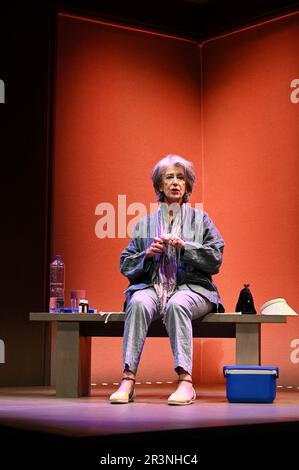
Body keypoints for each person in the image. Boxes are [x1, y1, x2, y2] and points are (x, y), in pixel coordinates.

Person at [109, 154, 224, 405]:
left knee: (178, 303)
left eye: (180, 178)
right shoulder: (144, 224)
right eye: (169, 177)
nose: (175, 182)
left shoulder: (200, 220)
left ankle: (185, 382)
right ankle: (128, 379)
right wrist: (147, 255)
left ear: (187, 185)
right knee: (138, 302)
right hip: (152, 286)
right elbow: (125, 264)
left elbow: (215, 258)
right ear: (159, 185)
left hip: (193, 288)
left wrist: (186, 247)